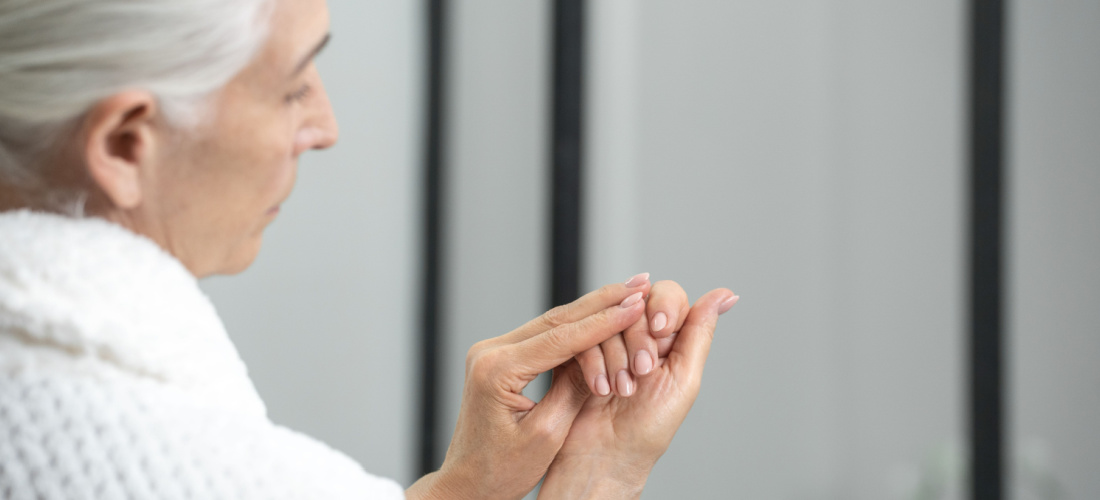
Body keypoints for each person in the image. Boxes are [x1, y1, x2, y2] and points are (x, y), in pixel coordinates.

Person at [0, 0, 738, 498]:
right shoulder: (177, 467)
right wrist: (598, 480)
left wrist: (463, 489)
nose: (325, 126)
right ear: (126, 144)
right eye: (293, 88)